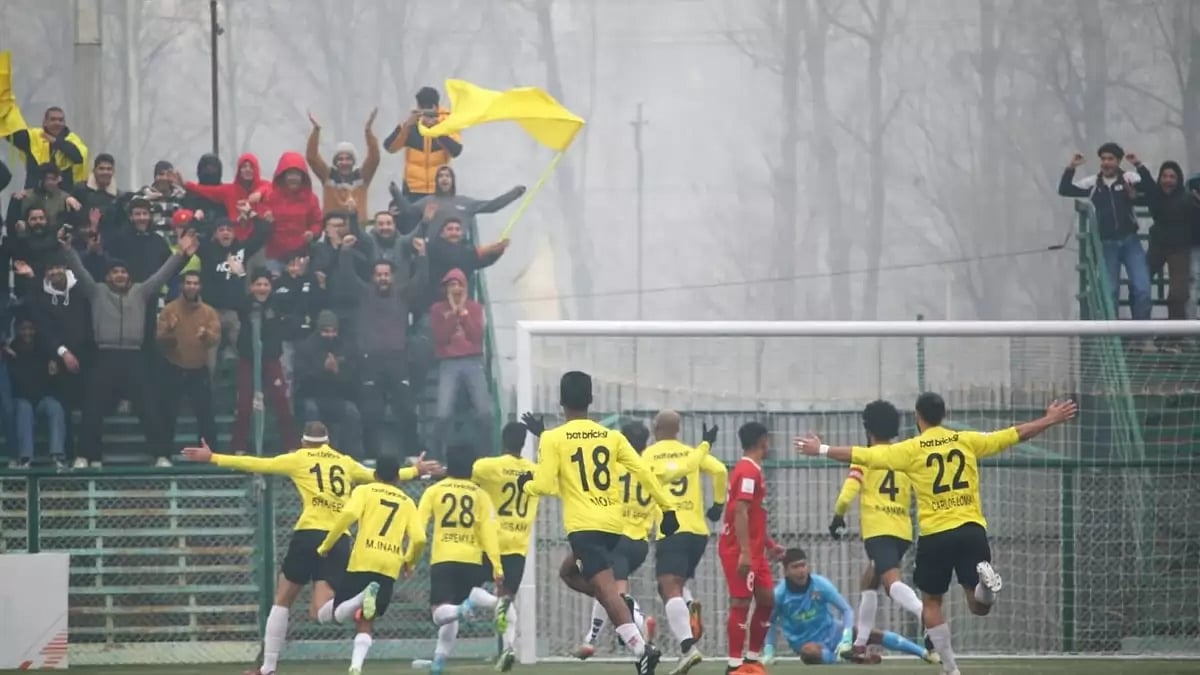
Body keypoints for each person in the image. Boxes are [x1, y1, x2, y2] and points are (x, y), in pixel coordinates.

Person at [795, 393, 1079, 675]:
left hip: (935, 534)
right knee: (979, 605)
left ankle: (951, 669)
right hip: (971, 529)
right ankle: (985, 586)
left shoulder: (910, 449)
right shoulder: (966, 440)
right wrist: (1050, 419)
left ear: (918, 416)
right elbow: (1014, 434)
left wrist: (821, 449)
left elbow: (861, 455)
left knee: (931, 602)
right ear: (944, 415)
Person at [180, 423, 439, 675]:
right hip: (339, 539)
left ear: (304, 442)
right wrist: (414, 471)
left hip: (309, 534)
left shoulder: (299, 458)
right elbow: (377, 476)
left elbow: (258, 463)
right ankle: (358, 603)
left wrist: (213, 457)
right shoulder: (345, 462)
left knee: (283, 600)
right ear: (328, 442)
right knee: (321, 611)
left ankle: (268, 668)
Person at [517, 370, 683, 675]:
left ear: (561, 401)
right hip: (612, 526)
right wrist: (668, 509)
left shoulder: (553, 438)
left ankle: (640, 648)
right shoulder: (612, 436)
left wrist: (525, 484)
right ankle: (621, 605)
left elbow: (543, 485)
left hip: (584, 528)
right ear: (591, 399)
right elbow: (644, 472)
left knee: (605, 588)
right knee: (568, 572)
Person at [65, 230, 195, 468]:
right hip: (105, 356)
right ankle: (86, 455)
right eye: (115, 272)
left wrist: (180, 254)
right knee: (93, 407)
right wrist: (68, 249)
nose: (120, 275)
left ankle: (160, 455)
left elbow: (163, 274)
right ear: (108, 276)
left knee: (148, 407)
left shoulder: (140, 292)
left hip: (134, 357)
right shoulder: (96, 291)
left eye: (123, 272)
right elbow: (79, 271)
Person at [827, 400, 926, 659]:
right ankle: (859, 645)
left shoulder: (865, 457)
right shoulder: (904, 456)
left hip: (878, 531)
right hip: (902, 531)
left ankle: (925, 614)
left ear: (868, 429)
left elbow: (847, 495)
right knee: (869, 580)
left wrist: (838, 517)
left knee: (891, 583)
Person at [315, 455, 425, 675]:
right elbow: (420, 538)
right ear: (398, 478)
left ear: (375, 475)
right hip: (389, 564)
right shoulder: (407, 502)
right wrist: (409, 561)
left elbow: (348, 515)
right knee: (367, 619)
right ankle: (356, 666)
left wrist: (326, 545)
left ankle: (360, 598)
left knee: (336, 615)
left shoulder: (364, 491)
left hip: (364, 559)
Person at [643, 410, 728, 675]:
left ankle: (688, 648)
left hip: (672, 531)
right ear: (678, 430)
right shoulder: (691, 453)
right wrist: (717, 504)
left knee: (668, 587)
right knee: (672, 586)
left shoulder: (648, 455)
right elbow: (720, 470)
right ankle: (689, 606)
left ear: (655, 428)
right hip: (698, 532)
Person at [761, 548, 936, 666]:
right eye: (795, 567)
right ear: (786, 571)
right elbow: (770, 622)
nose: (801, 571)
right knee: (809, 653)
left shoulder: (820, 584)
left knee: (871, 633)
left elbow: (846, 610)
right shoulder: (779, 595)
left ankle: (924, 653)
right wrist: (769, 650)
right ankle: (848, 659)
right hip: (807, 644)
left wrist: (846, 638)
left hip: (832, 632)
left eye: (803, 565)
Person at [416, 443, 504, 675]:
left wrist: (410, 557)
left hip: (444, 559)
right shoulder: (481, 495)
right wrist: (497, 567)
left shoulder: (434, 491)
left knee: (440, 614)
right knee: (451, 613)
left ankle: (467, 607)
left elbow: (418, 530)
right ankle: (438, 662)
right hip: (471, 561)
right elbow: (489, 534)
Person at [469, 421, 539, 672]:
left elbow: (462, 476)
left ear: (503, 440)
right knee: (507, 596)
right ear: (524, 443)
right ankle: (509, 648)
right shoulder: (535, 471)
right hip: (517, 545)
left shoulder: (486, 467)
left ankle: (492, 605)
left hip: (489, 542)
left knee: (466, 590)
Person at [1057, 144, 1152, 327]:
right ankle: (1112, 334)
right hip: (1107, 244)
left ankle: (1141, 334)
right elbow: (1064, 189)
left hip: (1130, 241)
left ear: (1118, 161)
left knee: (1142, 288)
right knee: (1110, 292)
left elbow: (1150, 186)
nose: (1106, 163)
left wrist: (1138, 164)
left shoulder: (1129, 178)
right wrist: (1071, 167)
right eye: (1103, 159)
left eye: (1110, 159)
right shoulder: (1093, 183)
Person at [719, 421, 785, 675]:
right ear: (763, 441)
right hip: (738, 550)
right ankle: (734, 665)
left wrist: (769, 545)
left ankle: (752, 658)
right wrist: (745, 552)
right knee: (741, 601)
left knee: (767, 599)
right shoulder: (748, 470)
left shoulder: (752, 469)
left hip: (755, 550)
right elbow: (740, 511)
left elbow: (753, 515)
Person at [229, 270, 297, 455]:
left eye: (266, 284)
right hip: (248, 360)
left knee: (282, 400)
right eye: (258, 284)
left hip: (271, 360)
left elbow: (292, 302)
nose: (262, 288)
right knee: (244, 405)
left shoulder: (277, 304)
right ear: (252, 287)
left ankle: (290, 446)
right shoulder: (245, 304)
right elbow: (235, 301)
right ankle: (238, 448)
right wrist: (239, 276)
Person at [156, 271, 220, 453]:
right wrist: (169, 329)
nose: (192, 286)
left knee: (205, 415)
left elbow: (215, 339)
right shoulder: (170, 309)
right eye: (188, 283)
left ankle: (209, 453)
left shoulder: (209, 312)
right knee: (167, 414)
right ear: (181, 286)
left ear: (200, 287)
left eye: (195, 283)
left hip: (199, 369)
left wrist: (206, 335)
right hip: (173, 366)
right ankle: (163, 454)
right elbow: (159, 338)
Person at [430, 268, 489, 458]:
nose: (456, 289)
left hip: (473, 360)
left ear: (465, 287)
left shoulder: (475, 308)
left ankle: (486, 456)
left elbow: (476, 336)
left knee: (484, 412)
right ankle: (436, 456)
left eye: (459, 285)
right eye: (451, 285)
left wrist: (463, 314)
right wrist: (454, 314)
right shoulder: (437, 309)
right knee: (443, 413)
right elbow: (441, 338)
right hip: (448, 363)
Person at [294, 311, 362, 457]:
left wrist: (337, 371)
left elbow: (353, 380)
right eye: (326, 331)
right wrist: (322, 369)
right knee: (311, 410)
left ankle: (349, 457)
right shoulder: (306, 347)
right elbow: (301, 380)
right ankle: (313, 455)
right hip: (312, 396)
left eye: (333, 331)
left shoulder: (345, 347)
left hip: (337, 398)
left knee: (352, 412)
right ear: (318, 330)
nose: (330, 335)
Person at [383, 86, 463, 201]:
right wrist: (407, 126)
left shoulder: (447, 124)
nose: (425, 112)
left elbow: (456, 151)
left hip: (439, 189)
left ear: (436, 107)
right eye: (422, 108)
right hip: (412, 189)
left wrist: (436, 129)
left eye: (429, 108)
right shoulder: (411, 125)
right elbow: (389, 147)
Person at [8, 316, 67, 469]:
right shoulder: (12, 350)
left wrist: (54, 371)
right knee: (25, 408)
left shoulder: (43, 350)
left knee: (55, 407)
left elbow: (52, 381)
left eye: (30, 329)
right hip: (20, 400)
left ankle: (57, 456)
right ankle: (25, 458)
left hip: (40, 399)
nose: (27, 332)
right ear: (18, 331)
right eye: (24, 329)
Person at [306, 109, 381, 221]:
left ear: (353, 162)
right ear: (335, 162)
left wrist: (368, 131)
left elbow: (374, 158)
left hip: (358, 228)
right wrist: (316, 131)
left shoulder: (363, 177)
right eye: (340, 159)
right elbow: (312, 157)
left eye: (348, 159)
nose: (344, 162)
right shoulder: (327, 176)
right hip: (333, 227)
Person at [256, 152, 323, 273]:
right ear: (283, 175)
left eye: (297, 174)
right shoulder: (270, 196)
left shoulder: (311, 198)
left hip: (300, 256)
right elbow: (260, 213)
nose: (293, 178)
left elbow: (317, 221)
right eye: (290, 174)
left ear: (303, 177)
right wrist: (265, 219)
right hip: (275, 255)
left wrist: (312, 233)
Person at [183, 153, 271, 239]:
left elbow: (271, 188)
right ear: (239, 170)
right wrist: (185, 184)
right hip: (235, 240)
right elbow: (204, 190)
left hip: (260, 239)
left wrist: (259, 192)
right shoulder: (229, 190)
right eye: (244, 166)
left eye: (251, 166)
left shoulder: (265, 186)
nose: (248, 169)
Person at [4, 106, 87, 188]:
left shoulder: (72, 139)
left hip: (63, 192)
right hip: (35, 192)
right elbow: (12, 134)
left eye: (60, 120)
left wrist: (55, 141)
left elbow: (78, 157)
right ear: (45, 122)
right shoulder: (34, 136)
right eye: (53, 119)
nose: (57, 123)